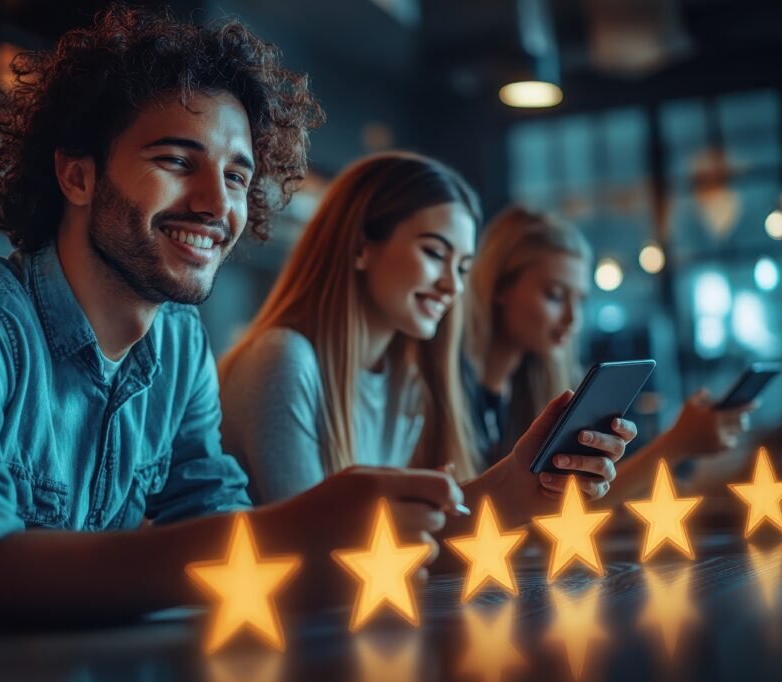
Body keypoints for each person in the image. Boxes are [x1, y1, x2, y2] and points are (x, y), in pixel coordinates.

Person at [0, 6, 464, 630]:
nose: (217, 205)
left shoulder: (180, 347)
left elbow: (210, 512)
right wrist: (287, 534)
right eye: (177, 162)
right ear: (77, 176)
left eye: (237, 177)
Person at [218, 152, 638, 535]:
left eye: (462, 267)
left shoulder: (406, 381)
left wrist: (525, 478)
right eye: (435, 253)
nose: (451, 285)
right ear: (362, 245)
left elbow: (396, 546)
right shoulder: (283, 360)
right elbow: (315, 550)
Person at [462, 207, 756, 502]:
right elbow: (540, 517)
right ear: (499, 287)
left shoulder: (531, 390)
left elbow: (564, 507)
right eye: (554, 295)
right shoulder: (454, 395)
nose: (572, 319)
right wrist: (676, 444)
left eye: (579, 300)